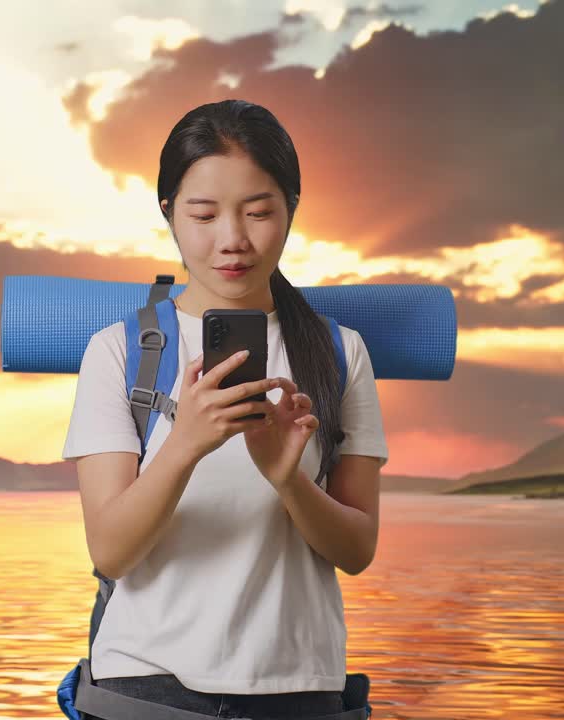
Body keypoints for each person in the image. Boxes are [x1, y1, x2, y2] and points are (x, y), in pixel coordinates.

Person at [60, 98, 389, 720]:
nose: (232, 240)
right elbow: (110, 552)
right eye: (204, 215)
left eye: (259, 212)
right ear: (169, 214)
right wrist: (186, 441)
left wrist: (287, 478)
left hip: (297, 689)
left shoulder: (340, 353)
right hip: (145, 689)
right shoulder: (117, 352)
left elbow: (357, 550)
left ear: (291, 209)